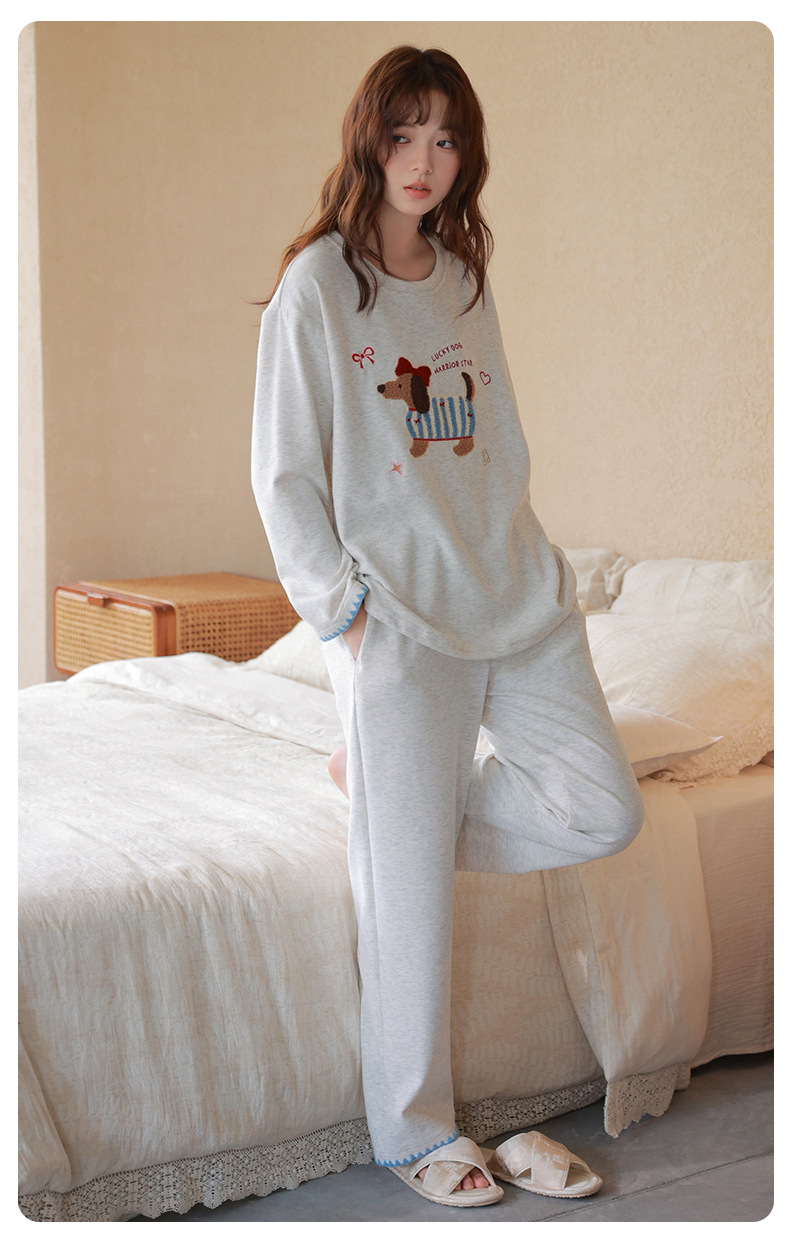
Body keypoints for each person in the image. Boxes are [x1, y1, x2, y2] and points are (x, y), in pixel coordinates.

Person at [251, 45, 644, 1209]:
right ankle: (413, 1129)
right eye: (405, 134)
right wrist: (344, 613)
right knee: (407, 895)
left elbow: (496, 443)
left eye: (447, 139)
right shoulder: (318, 286)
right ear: (368, 139)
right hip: (398, 620)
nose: (423, 160)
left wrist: (533, 563)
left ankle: (386, 802)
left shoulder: (464, 276)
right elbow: (283, 474)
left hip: (514, 598)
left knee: (603, 805)